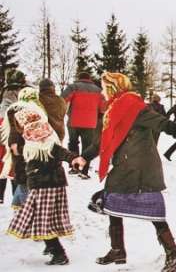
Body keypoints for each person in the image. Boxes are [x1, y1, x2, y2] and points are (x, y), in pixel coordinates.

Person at [80, 72, 176, 271]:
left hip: (140, 167)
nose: (101, 91)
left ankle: (171, 251)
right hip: (127, 164)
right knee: (113, 199)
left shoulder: (135, 107)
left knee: (136, 203)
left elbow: (165, 124)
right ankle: (119, 249)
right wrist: (84, 156)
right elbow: (102, 141)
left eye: (104, 87)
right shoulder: (113, 109)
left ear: (113, 87)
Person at [5, 99, 86, 265]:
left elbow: (59, 151)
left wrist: (74, 158)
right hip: (50, 184)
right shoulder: (42, 138)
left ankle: (58, 253)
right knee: (42, 218)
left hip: (44, 186)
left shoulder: (36, 141)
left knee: (43, 220)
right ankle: (52, 247)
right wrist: (73, 158)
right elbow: (60, 151)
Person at [61, 72, 104, 179]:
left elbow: (62, 99)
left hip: (73, 122)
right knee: (88, 146)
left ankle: (74, 166)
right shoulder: (98, 91)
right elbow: (103, 108)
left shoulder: (73, 87)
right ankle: (84, 171)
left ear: (79, 78)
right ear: (89, 79)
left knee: (73, 143)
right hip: (90, 123)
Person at [0, 69, 28, 203]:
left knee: (4, 160)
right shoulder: (24, 91)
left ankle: (2, 196)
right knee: (15, 161)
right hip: (16, 123)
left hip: (3, 120)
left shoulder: (4, 91)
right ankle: (16, 197)